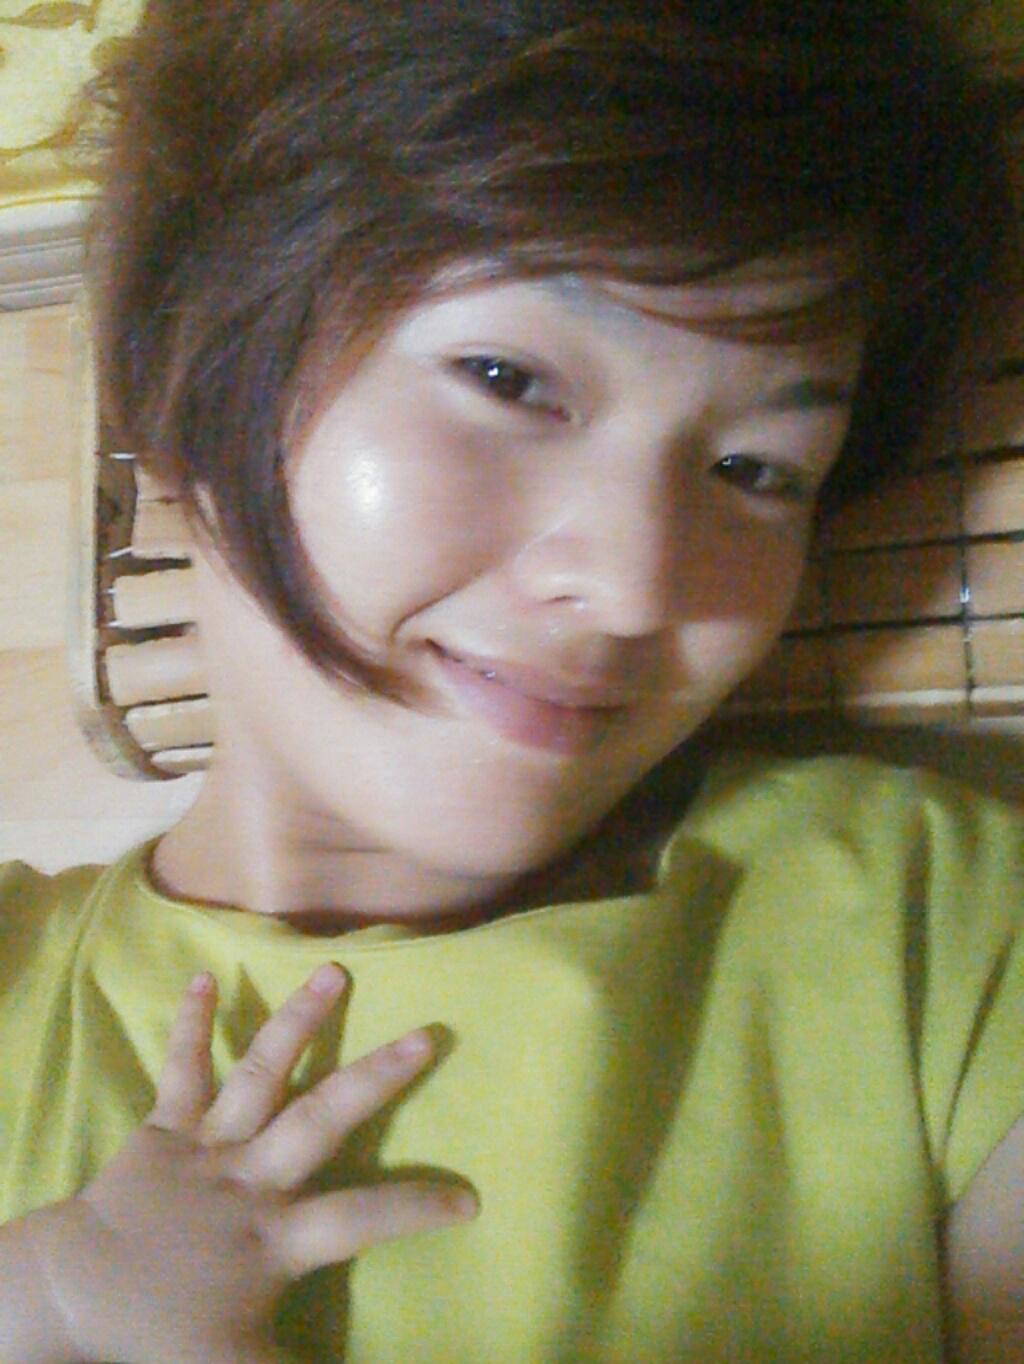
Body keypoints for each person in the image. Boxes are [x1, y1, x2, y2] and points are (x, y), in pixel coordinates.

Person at [1, 0, 1023, 1359]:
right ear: (178, 377)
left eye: (757, 471)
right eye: (507, 378)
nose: (638, 586)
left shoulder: (929, 927)